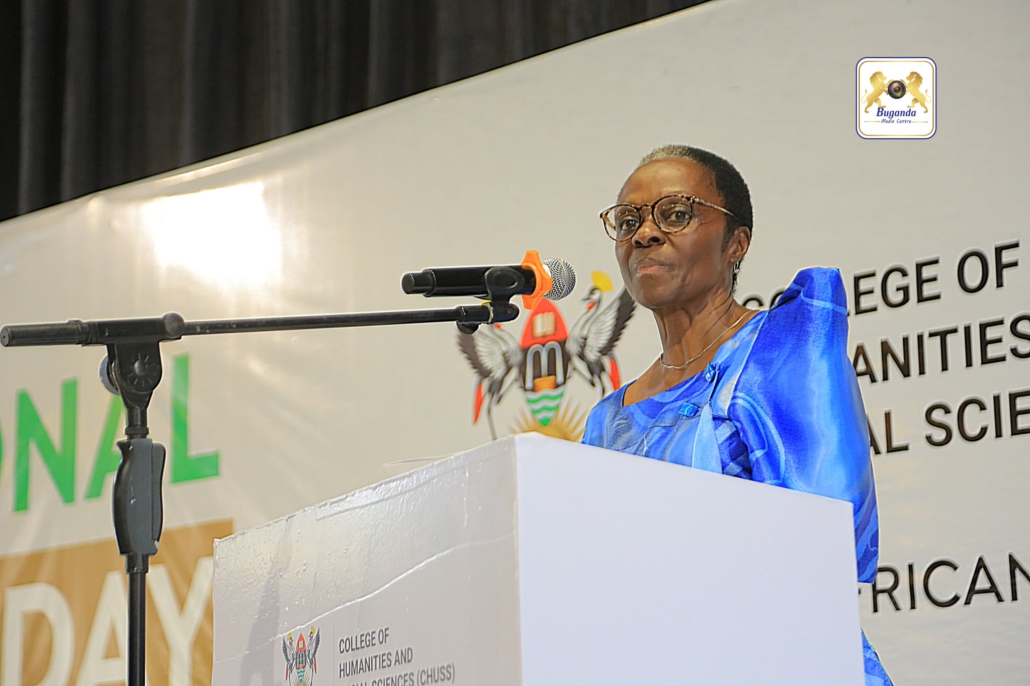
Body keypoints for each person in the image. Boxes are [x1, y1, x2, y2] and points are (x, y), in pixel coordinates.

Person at [582, 145, 893, 686]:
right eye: (628, 222)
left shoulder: (781, 350)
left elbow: (827, 537)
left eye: (675, 214)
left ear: (736, 243)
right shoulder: (607, 420)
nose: (644, 234)